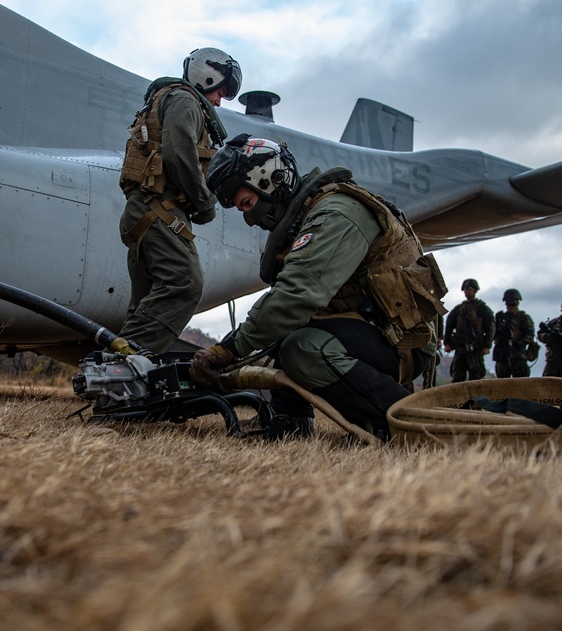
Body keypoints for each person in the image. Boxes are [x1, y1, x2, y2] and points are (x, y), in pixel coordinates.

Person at [189, 135, 447, 439]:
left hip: (402, 342)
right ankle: (292, 422)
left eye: (247, 204)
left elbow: (296, 295)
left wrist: (231, 349)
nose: (249, 220)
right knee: (286, 331)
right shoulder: (308, 217)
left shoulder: (335, 213)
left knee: (303, 347)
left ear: (271, 180)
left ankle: (408, 423)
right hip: (373, 330)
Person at [117, 47, 242, 353]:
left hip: (145, 212)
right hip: (160, 210)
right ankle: (120, 367)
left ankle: (125, 386)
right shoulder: (185, 100)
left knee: (146, 305)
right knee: (185, 285)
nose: (218, 101)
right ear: (207, 76)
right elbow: (179, 154)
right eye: (219, 92)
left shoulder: (164, 99)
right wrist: (204, 202)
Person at [443, 279, 494, 382]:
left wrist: (487, 345)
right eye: (465, 290)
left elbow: (491, 327)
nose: (467, 292)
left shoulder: (483, 309)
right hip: (460, 347)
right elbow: (449, 325)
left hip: (476, 348)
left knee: (476, 377)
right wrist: (447, 343)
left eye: (469, 289)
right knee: (457, 376)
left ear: (475, 290)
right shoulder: (458, 309)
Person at [492, 288, 535, 378]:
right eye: (508, 303)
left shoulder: (524, 318)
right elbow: (492, 333)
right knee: (501, 384)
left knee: (520, 383)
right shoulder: (500, 318)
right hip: (502, 354)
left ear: (518, 303)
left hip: (518, 354)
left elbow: (530, 334)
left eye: (513, 304)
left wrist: (518, 342)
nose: (510, 306)